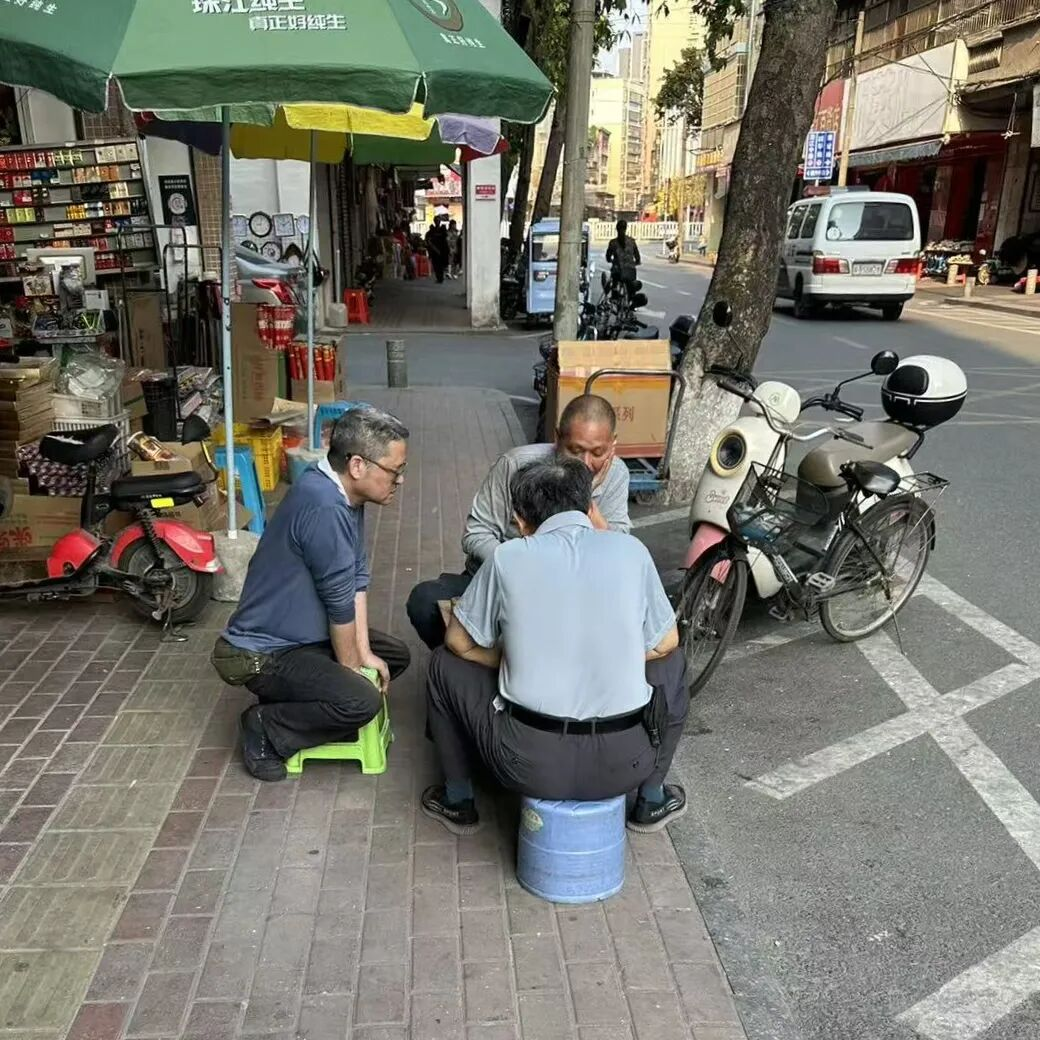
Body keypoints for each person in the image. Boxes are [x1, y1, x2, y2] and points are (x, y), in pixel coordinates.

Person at [420, 457, 689, 835]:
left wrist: (512, 658)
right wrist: (612, 655)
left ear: (520, 520)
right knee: (673, 664)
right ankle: (652, 798)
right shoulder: (632, 551)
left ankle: (458, 799)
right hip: (627, 764)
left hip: (525, 766)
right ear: (590, 508)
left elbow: (458, 643)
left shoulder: (507, 557)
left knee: (442, 664)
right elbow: (667, 642)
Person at [211, 408, 412, 782]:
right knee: (360, 701)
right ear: (357, 465)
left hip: (306, 638)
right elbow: (339, 603)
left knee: (394, 656)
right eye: (394, 470)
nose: (399, 480)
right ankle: (266, 725)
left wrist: (364, 653)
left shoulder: (345, 495)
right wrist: (352, 672)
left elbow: (355, 579)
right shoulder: (323, 506)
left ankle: (306, 700)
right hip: (265, 653)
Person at [406, 394, 631, 650]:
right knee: (425, 601)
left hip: (573, 590)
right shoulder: (515, 465)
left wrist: (588, 502)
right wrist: (519, 566)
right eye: (575, 451)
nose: (585, 463)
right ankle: (463, 661)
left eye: (598, 453)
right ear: (558, 437)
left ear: (612, 445)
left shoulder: (617, 475)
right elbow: (476, 534)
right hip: (501, 580)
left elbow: (620, 552)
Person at [606, 219, 641, 298]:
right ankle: (631, 299)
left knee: (614, 284)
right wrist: (636, 262)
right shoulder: (632, 241)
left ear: (617, 229)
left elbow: (608, 256)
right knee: (631, 288)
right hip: (630, 271)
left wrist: (610, 260)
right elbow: (637, 256)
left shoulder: (613, 242)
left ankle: (614, 297)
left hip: (618, 271)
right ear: (626, 229)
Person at [425, 218, 450, 284]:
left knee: (441, 265)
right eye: (436, 221)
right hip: (434, 250)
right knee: (436, 265)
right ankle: (438, 277)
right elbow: (428, 239)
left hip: (442, 250)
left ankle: (440, 277)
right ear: (434, 221)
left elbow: (445, 238)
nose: (437, 222)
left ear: (440, 222)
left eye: (438, 221)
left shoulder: (442, 229)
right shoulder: (432, 230)